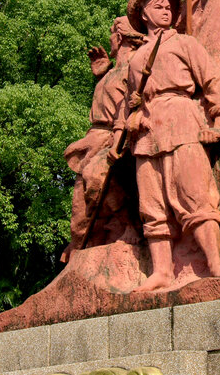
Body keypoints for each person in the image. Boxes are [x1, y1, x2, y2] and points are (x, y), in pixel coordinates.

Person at [112, 0, 220, 292]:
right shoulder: (136, 59)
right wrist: (131, 120)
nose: (165, 11)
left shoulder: (185, 44)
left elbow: (214, 80)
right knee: (152, 205)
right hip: (146, 132)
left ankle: (215, 264)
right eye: (158, 6)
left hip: (181, 120)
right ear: (143, 13)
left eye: (169, 7)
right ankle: (162, 272)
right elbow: (129, 102)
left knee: (195, 194)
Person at [61, 16, 142, 262]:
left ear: (120, 37)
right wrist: (103, 74)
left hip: (115, 136)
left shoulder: (135, 66)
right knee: (79, 209)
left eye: (112, 35)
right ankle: (82, 249)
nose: (110, 40)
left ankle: (131, 226)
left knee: (98, 179)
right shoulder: (113, 70)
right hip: (93, 138)